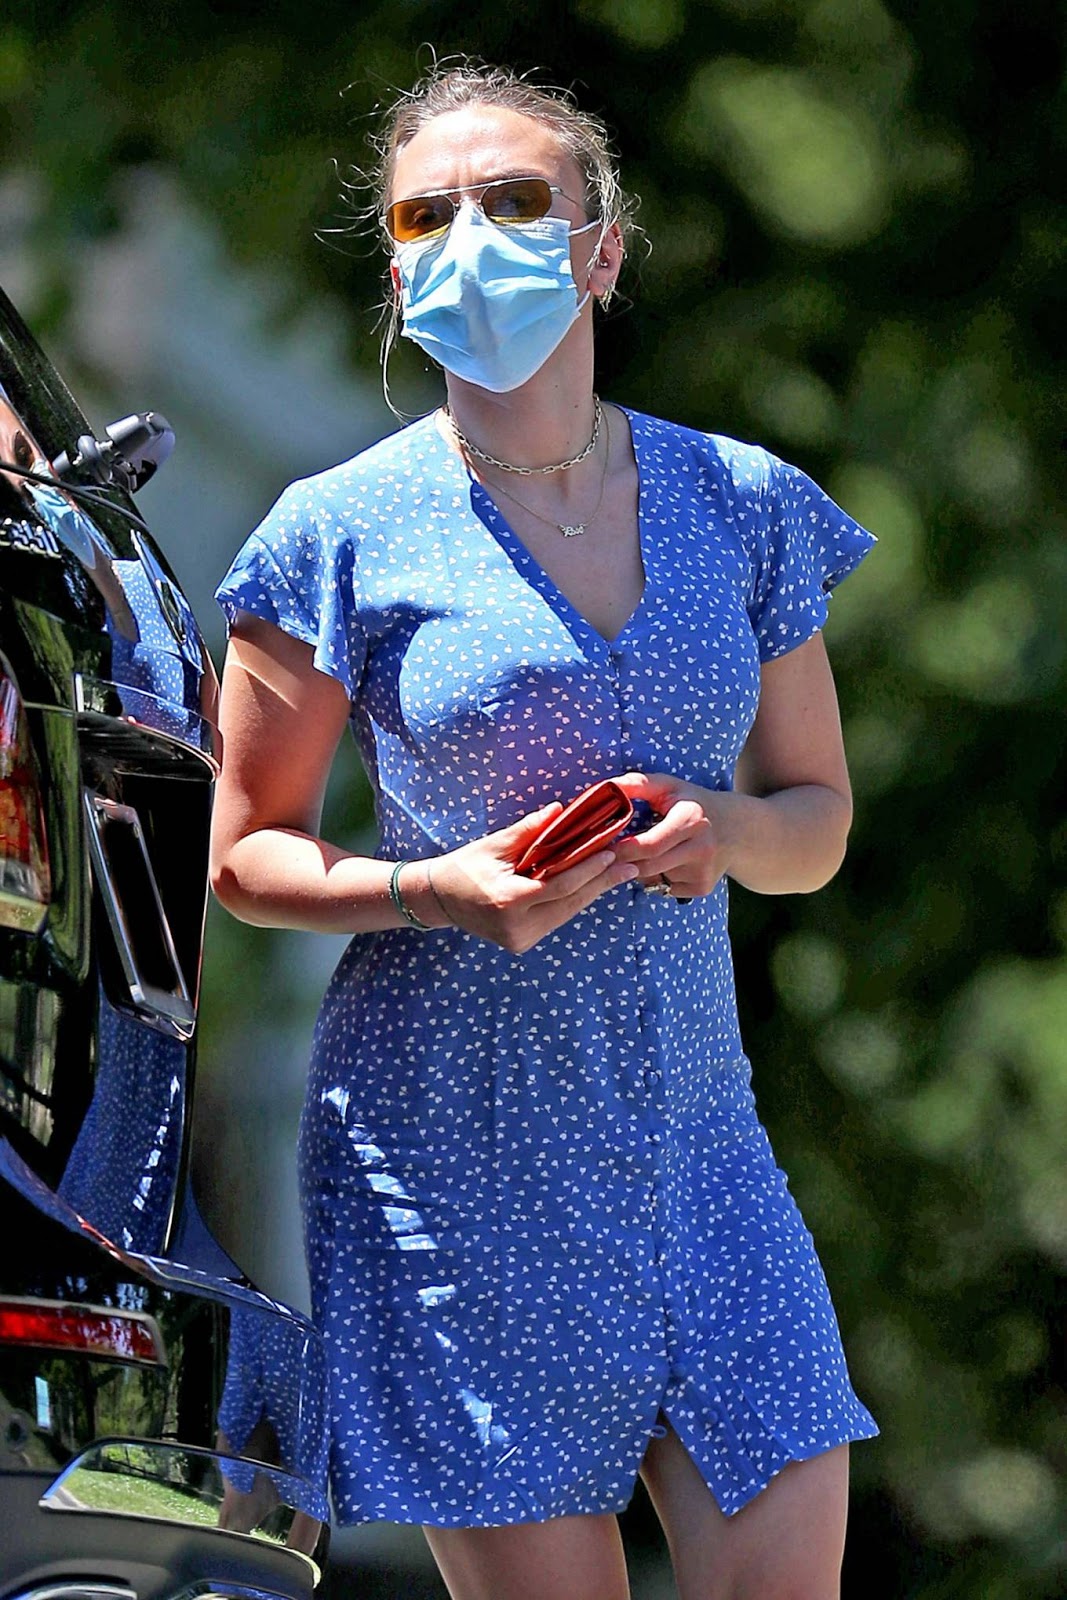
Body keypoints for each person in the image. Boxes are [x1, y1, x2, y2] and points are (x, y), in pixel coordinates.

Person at [211, 60, 878, 1600]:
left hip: (700, 1147)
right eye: (425, 214)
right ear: (394, 269)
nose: (470, 236)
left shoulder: (745, 501)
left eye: (515, 202)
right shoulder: (334, 531)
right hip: (457, 1163)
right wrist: (434, 893)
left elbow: (819, 816)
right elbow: (248, 855)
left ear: (603, 248)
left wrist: (723, 828)